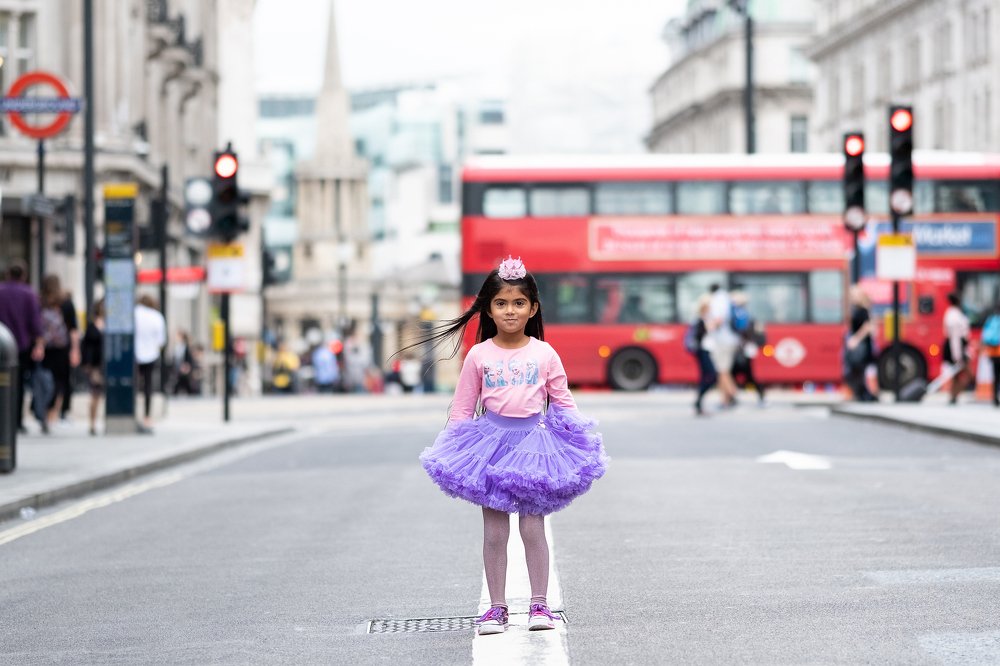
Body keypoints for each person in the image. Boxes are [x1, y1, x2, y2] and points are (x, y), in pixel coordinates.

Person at [412, 256, 608, 635]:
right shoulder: (479, 355)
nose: (510, 311)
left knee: (533, 528)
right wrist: (454, 451)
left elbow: (563, 401)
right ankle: (496, 608)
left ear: (533, 307)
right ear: (488, 308)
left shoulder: (544, 353)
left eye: (519, 303)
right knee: (494, 531)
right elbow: (463, 407)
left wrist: (579, 439)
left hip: (535, 446)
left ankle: (540, 604)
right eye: (501, 303)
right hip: (488, 447)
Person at [0, 262, 45, 434]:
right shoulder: (29, 294)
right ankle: (16, 421)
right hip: (21, 345)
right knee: (17, 385)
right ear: (24, 276)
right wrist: (39, 344)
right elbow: (35, 321)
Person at [39, 275, 76, 428]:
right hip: (62, 348)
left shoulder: (40, 302)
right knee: (62, 381)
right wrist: (75, 350)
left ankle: (46, 412)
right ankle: (58, 412)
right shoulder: (66, 303)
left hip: (45, 348)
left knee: (44, 381)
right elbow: (73, 329)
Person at [134, 294, 167, 431]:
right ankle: (147, 417)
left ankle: (133, 412)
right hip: (151, 355)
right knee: (148, 386)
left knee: (134, 385)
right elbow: (161, 341)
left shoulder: (134, 313)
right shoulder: (157, 316)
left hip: (134, 354)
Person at [730, 291, 766, 405]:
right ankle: (732, 397)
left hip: (743, 351)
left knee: (745, 375)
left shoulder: (743, 316)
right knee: (734, 374)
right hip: (742, 350)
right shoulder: (746, 316)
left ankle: (733, 397)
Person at [844, 285, 877, 402]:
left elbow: (868, 327)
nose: (852, 297)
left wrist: (855, 339)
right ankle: (862, 394)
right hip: (860, 346)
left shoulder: (863, 310)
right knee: (858, 371)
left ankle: (867, 395)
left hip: (862, 346)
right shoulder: (858, 309)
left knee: (859, 371)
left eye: (854, 295)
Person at [707, 284, 738, 407]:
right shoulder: (727, 298)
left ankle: (730, 395)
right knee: (724, 370)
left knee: (721, 370)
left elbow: (719, 319)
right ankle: (727, 397)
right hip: (730, 340)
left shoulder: (717, 300)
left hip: (722, 341)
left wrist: (708, 327)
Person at [942, 292, 972, 405]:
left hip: (958, 347)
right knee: (968, 374)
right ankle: (954, 395)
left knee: (956, 374)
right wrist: (957, 355)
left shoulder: (953, 313)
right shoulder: (954, 315)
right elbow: (955, 338)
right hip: (956, 348)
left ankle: (953, 396)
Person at [81, 299, 105, 436]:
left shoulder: (112, 324)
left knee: (98, 394)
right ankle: (92, 423)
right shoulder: (92, 326)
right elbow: (86, 347)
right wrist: (87, 364)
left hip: (107, 364)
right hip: (96, 365)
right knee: (95, 394)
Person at [691, 295, 718, 416]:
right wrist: (709, 327)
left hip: (707, 350)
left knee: (705, 377)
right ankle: (698, 401)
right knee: (712, 375)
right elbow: (699, 336)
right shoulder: (700, 320)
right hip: (703, 351)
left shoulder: (707, 319)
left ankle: (699, 403)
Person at [982, 302, 1000, 407]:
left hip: (992, 352)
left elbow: (985, 336)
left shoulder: (991, 320)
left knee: (995, 375)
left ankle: (994, 398)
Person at [171, 331, 197, 395]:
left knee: (183, 383)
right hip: (178, 369)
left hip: (184, 369)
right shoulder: (177, 347)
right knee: (182, 383)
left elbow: (188, 358)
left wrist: (187, 366)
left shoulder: (185, 347)